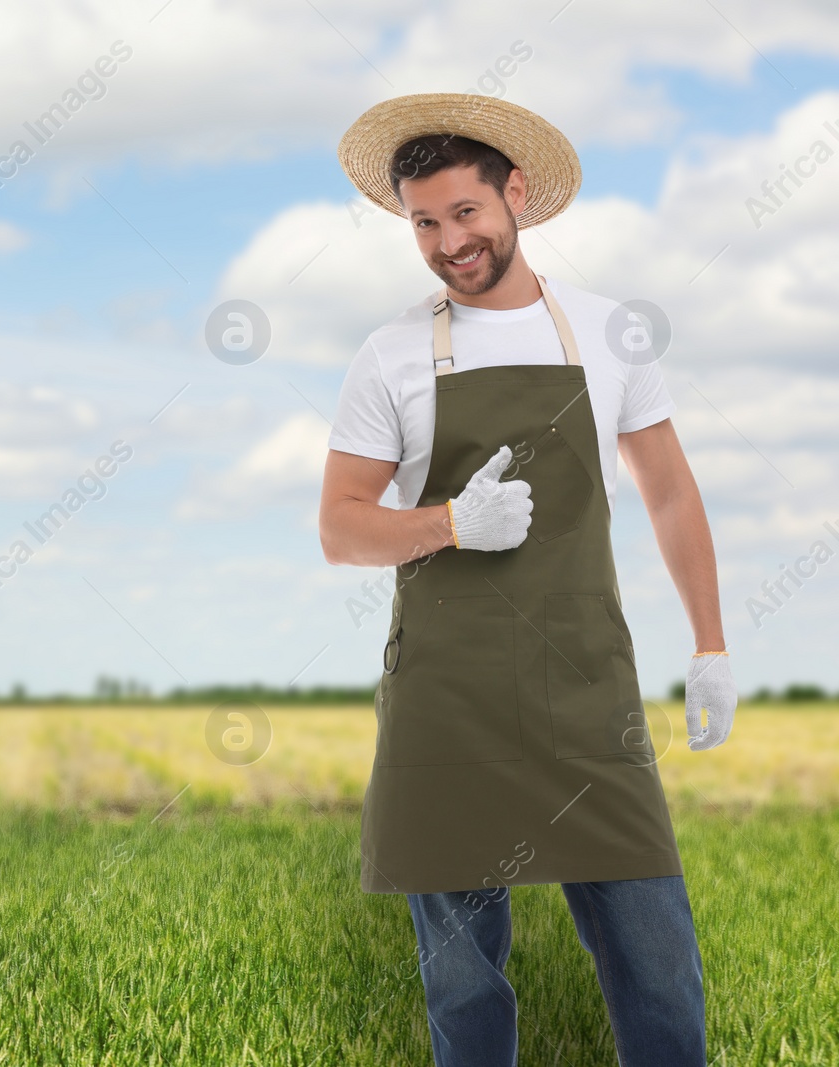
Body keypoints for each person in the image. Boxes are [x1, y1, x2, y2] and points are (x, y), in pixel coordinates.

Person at [317, 93, 737, 1067]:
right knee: (462, 980)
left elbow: (670, 493)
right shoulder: (389, 355)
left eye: (463, 212)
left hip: (587, 690)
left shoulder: (605, 332)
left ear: (513, 195)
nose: (446, 241)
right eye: (423, 221)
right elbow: (340, 528)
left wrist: (710, 643)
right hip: (447, 700)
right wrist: (450, 523)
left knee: (657, 956)